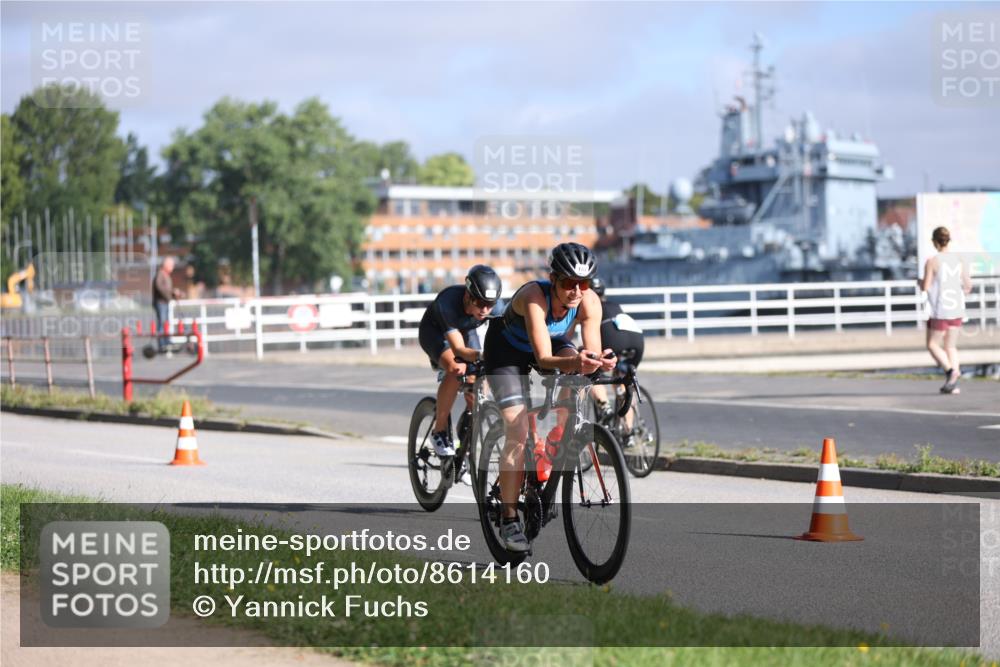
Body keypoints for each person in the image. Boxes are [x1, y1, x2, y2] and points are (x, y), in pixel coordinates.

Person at [482, 243, 616, 552]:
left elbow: (590, 353)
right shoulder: (533, 297)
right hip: (507, 352)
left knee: (580, 377)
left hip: (553, 343)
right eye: (569, 283)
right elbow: (543, 359)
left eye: (583, 284)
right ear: (553, 278)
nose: (576, 291)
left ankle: (557, 442)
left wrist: (601, 362)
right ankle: (509, 516)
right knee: (517, 429)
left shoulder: (589, 301)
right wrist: (578, 361)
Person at [418, 265, 505, 457]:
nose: (485, 309)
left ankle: (466, 435)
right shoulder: (448, 302)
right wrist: (481, 355)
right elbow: (458, 350)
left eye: (490, 304)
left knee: (479, 381)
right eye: (480, 302)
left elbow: (507, 337)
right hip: (436, 332)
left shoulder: (496, 308)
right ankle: (439, 431)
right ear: (468, 295)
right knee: (457, 368)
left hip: (467, 329)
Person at [586, 276, 646, 446]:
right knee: (623, 380)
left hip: (613, 340)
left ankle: (604, 407)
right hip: (637, 340)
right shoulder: (614, 305)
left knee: (590, 372)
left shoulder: (588, 307)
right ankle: (629, 433)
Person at [920, 226, 972, 394]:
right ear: (948, 240)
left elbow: (925, 286)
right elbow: (968, 286)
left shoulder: (932, 261)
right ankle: (953, 383)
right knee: (950, 346)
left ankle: (951, 371)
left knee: (932, 344)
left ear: (934, 242)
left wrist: (919, 282)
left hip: (940, 309)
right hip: (956, 307)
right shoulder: (959, 259)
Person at [152, 257, 183, 352]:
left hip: (165, 302)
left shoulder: (165, 275)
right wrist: (169, 295)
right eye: (171, 265)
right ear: (166, 265)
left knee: (166, 322)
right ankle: (162, 343)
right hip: (161, 303)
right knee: (162, 323)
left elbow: (166, 289)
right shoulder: (161, 274)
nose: (172, 267)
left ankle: (167, 340)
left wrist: (174, 293)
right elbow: (160, 287)